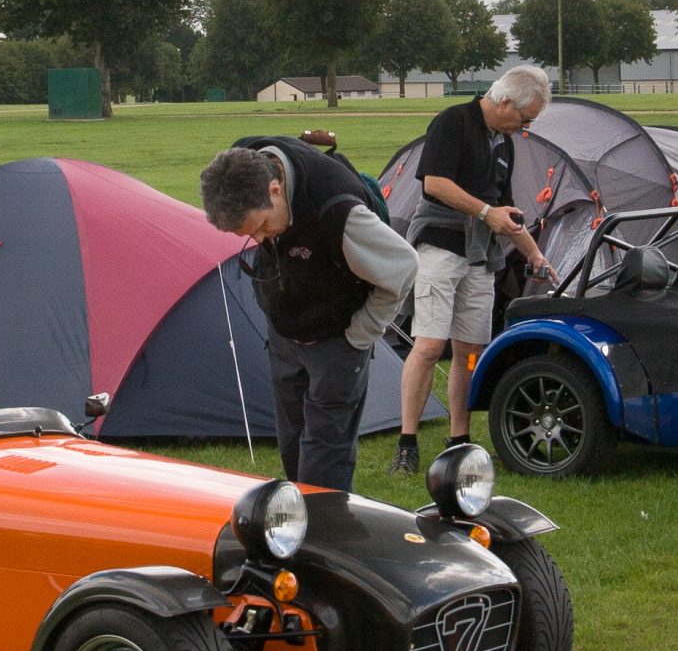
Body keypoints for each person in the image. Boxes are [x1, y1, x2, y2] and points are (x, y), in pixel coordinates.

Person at [200, 137, 418, 492]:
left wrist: (360, 334)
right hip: (285, 335)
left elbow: (404, 266)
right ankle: (295, 522)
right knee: (291, 440)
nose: (259, 239)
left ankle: (324, 531)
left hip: (337, 341)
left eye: (261, 226)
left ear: (275, 189)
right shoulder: (245, 161)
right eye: (248, 234)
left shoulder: (338, 211)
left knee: (323, 456)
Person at [393, 64, 553, 474]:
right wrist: (485, 212)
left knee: (468, 353)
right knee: (429, 346)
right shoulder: (453, 122)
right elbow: (434, 183)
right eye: (524, 118)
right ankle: (407, 443)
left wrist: (534, 253)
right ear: (503, 103)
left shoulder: (505, 142)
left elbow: (507, 209)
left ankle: (458, 439)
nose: (525, 127)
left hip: (480, 258)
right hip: (440, 249)